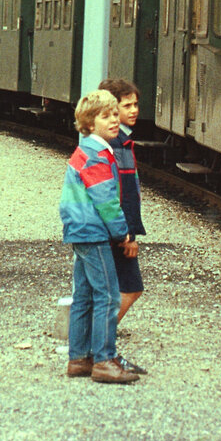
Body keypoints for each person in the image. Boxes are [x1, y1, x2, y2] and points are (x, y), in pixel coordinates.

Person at [59, 89, 140, 384]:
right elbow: (106, 201)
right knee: (107, 295)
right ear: (90, 123)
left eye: (115, 114)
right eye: (106, 116)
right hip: (93, 233)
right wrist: (123, 232)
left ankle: (78, 358)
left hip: (79, 231)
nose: (114, 120)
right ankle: (104, 360)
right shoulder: (97, 156)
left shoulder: (85, 152)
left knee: (83, 296)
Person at [99, 76, 148, 376]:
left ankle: (99, 346)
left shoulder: (121, 141)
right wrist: (127, 234)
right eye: (126, 105)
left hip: (114, 230)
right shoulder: (117, 144)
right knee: (130, 289)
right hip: (118, 233)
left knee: (115, 290)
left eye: (135, 104)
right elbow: (121, 195)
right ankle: (102, 348)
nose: (134, 110)